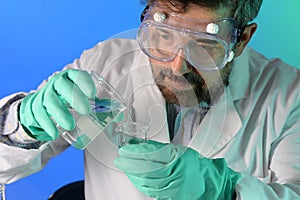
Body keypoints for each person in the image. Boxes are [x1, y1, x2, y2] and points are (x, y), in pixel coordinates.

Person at [0, 0, 300, 199]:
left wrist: (224, 190)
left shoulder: (289, 94)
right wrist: (22, 125)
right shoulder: (106, 61)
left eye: (205, 45)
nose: (176, 65)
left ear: (242, 39)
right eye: (164, 36)